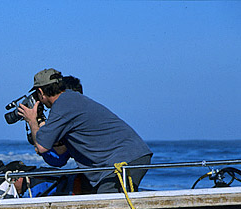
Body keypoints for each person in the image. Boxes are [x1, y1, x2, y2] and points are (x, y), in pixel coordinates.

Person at [19, 68, 153, 193]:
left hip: (123, 160)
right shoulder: (71, 99)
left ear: (41, 92)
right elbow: (60, 152)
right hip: (130, 156)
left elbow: (42, 147)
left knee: (106, 208)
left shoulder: (62, 106)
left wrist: (32, 120)